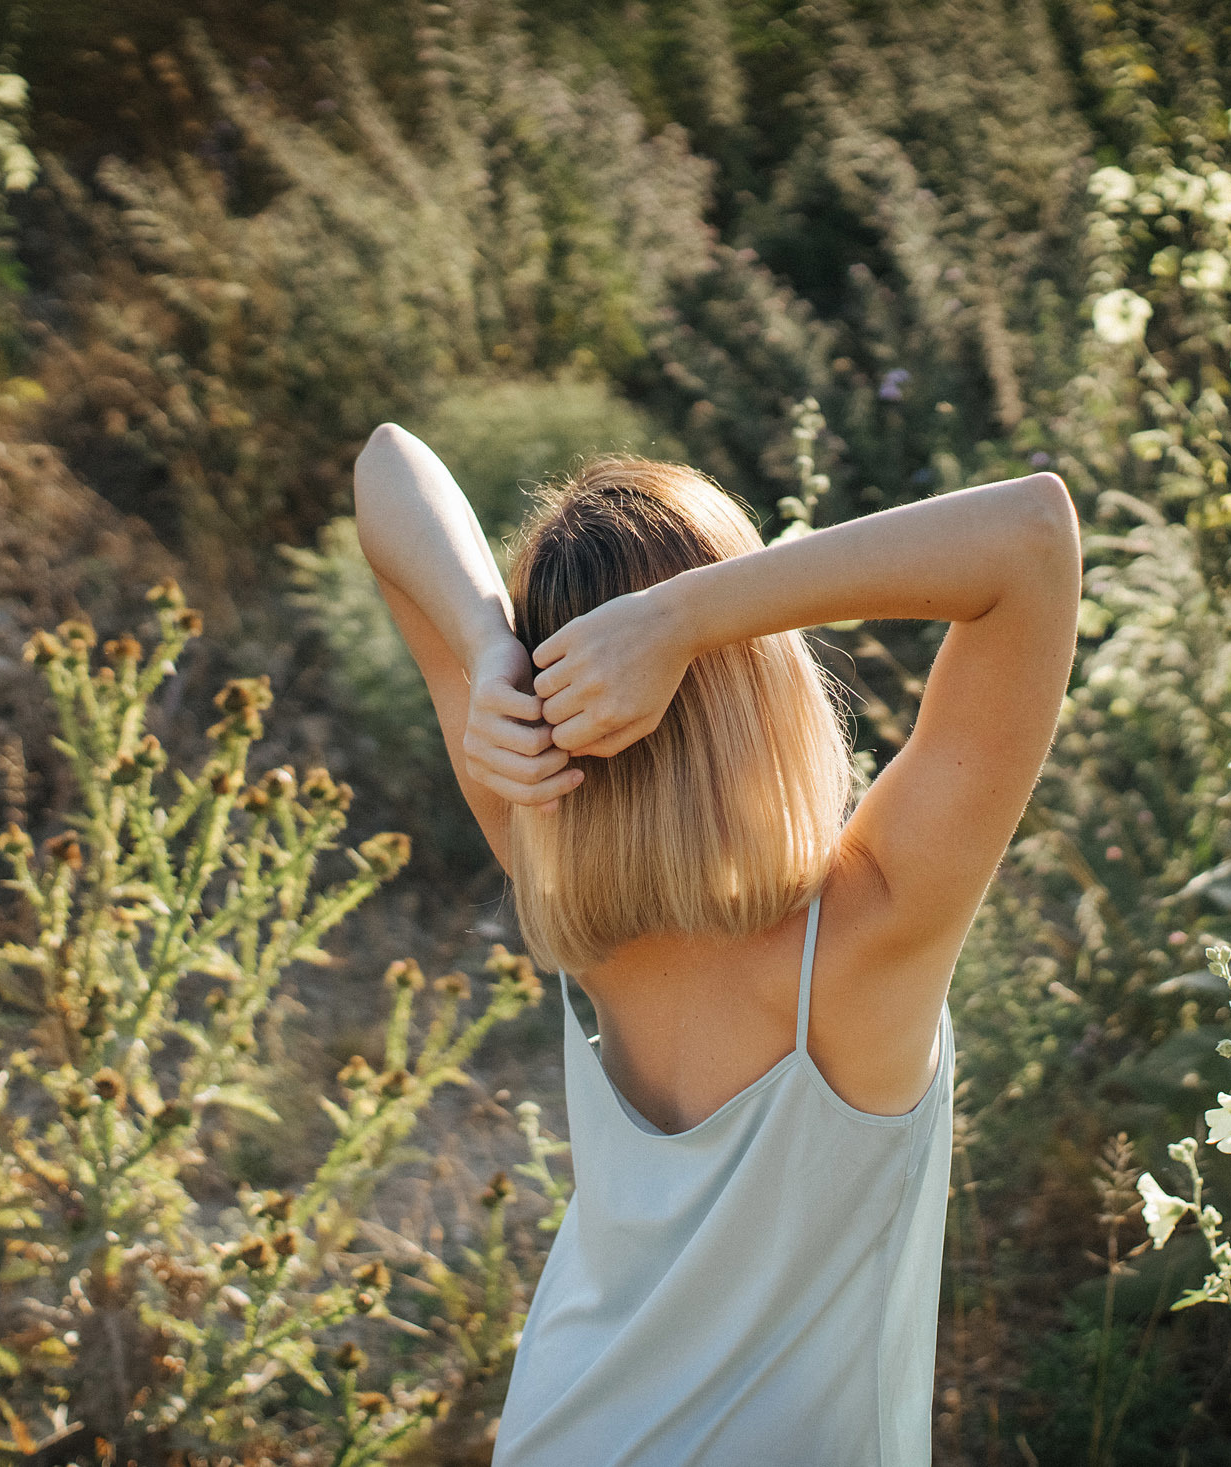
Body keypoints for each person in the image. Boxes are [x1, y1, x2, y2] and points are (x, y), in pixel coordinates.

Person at [353, 423, 1079, 1467]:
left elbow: (386, 465)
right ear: (762, 681)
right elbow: (1030, 538)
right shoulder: (871, 934)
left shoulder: (542, 856)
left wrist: (485, 648)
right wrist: (688, 617)